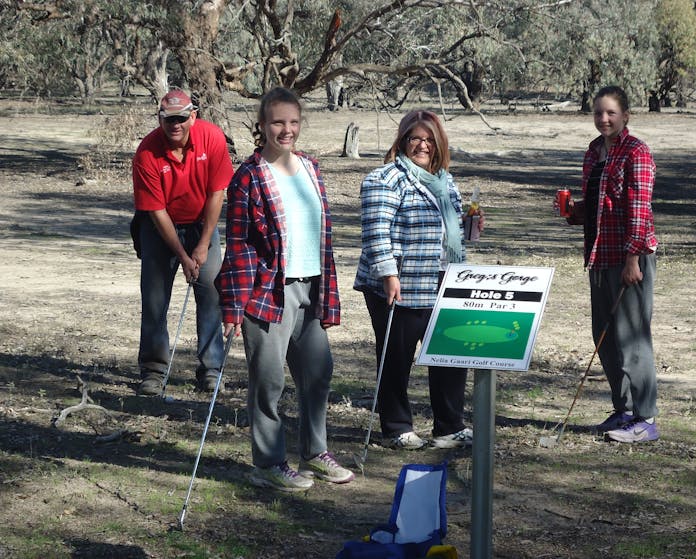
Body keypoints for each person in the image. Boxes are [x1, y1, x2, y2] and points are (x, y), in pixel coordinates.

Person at [216, 87, 354, 492]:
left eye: (293, 122)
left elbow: (321, 233)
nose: (286, 129)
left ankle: (315, 452)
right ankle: (269, 463)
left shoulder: (310, 168)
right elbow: (239, 245)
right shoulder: (249, 176)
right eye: (278, 122)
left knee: (318, 372)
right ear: (261, 125)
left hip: (312, 285)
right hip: (267, 292)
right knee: (269, 380)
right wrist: (232, 307)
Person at [353, 110, 483, 450]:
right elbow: (376, 233)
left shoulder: (445, 181)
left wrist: (471, 227)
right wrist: (388, 274)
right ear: (403, 140)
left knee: (450, 351)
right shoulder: (383, 179)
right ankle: (396, 427)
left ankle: (449, 426)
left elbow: (450, 233)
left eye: (429, 139)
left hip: (445, 277)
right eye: (415, 138)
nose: (422, 145)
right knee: (397, 355)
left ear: (439, 144)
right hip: (399, 282)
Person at [558, 85, 659, 443]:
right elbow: (599, 206)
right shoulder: (593, 152)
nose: (604, 119)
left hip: (630, 257)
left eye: (611, 113)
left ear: (625, 116)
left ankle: (645, 419)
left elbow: (639, 210)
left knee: (632, 339)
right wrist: (574, 212)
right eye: (599, 113)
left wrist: (634, 259)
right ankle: (624, 410)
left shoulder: (636, 152)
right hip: (599, 256)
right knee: (604, 336)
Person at [132, 88, 234, 395]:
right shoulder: (147, 152)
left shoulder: (212, 138)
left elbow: (217, 193)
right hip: (159, 228)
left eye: (180, 118)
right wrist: (182, 254)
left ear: (193, 116)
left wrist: (202, 245)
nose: (174, 125)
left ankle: (211, 368)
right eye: (168, 119)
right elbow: (155, 210)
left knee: (211, 294)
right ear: (159, 119)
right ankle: (153, 370)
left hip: (203, 224)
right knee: (154, 300)